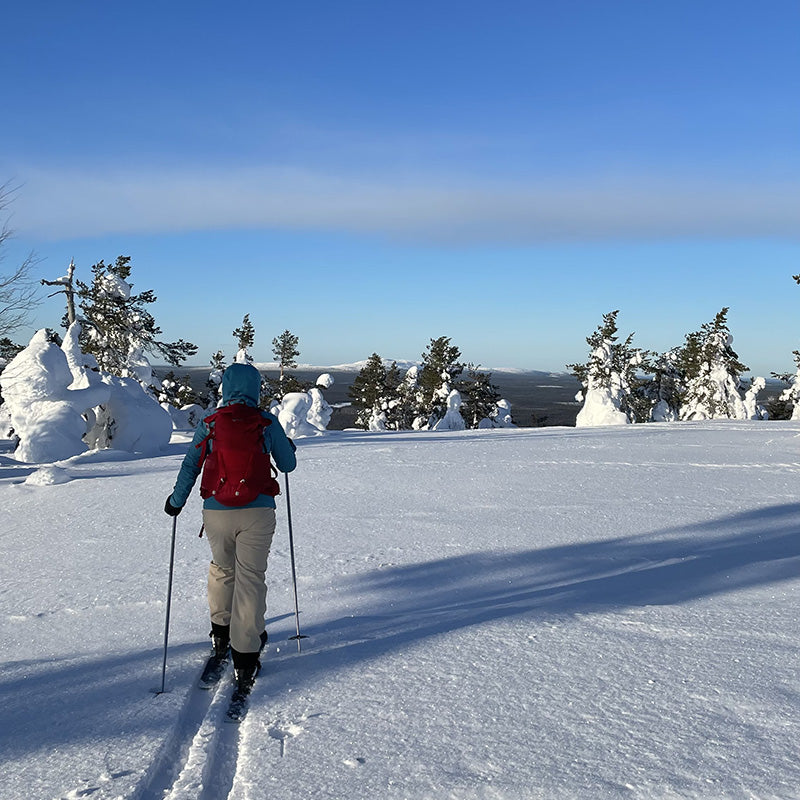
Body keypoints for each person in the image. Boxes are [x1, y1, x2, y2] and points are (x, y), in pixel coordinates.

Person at [164, 362, 297, 694]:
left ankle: (221, 635)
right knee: (250, 579)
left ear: (225, 388)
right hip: (258, 511)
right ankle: (246, 656)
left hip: (217, 512)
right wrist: (286, 446)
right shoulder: (266, 422)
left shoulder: (210, 424)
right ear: (255, 389)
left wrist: (176, 501)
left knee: (223, 570)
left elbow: (191, 464)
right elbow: (288, 465)